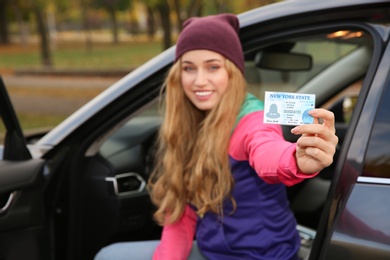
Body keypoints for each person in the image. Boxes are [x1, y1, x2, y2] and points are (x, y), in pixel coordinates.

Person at [95, 13, 338, 260]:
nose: (199, 81)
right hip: (213, 252)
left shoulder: (251, 118)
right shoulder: (188, 123)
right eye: (189, 68)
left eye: (213, 67)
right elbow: (181, 216)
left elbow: (266, 150)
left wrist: (295, 161)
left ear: (232, 72)